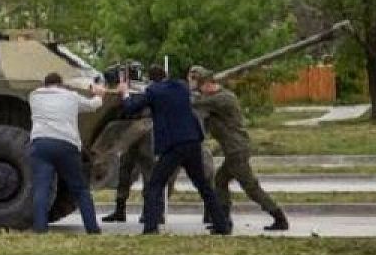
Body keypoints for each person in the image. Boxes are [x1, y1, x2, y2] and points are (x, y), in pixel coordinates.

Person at [118, 65, 230, 235]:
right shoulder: (181, 86)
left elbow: (130, 107)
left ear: (150, 79)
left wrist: (125, 92)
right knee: (203, 186)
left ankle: (150, 226)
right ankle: (222, 225)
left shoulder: (153, 91)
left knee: (155, 184)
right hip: (192, 141)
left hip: (173, 145)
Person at [188, 66, 289, 231]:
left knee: (250, 187)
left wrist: (185, 92)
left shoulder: (222, 99)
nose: (199, 90)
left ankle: (279, 217)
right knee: (220, 181)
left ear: (206, 84)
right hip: (234, 150)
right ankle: (224, 219)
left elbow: (194, 102)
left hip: (237, 150)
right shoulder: (215, 98)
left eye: (199, 86)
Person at [27, 72, 106, 234]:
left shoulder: (34, 96)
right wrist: (100, 94)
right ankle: (92, 228)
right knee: (80, 189)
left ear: (45, 84)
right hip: (66, 145)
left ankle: (40, 228)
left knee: (42, 188)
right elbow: (93, 106)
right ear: (61, 83)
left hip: (41, 144)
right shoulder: (71, 97)